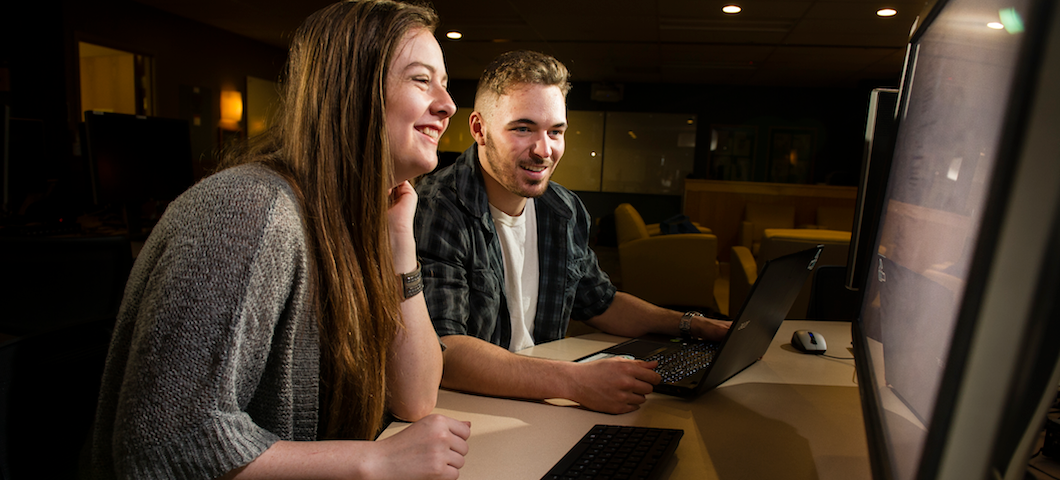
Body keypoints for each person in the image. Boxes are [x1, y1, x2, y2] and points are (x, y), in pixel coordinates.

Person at [89, 2, 470, 479]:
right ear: (351, 93)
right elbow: (169, 442)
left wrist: (399, 244)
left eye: (445, 83)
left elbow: (415, 398)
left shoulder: (361, 219)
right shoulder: (247, 210)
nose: (448, 104)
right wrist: (374, 461)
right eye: (421, 80)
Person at [413, 50, 732, 415]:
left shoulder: (562, 209)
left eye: (556, 132)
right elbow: (445, 350)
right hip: (469, 406)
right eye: (523, 128)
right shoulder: (439, 207)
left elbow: (602, 302)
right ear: (479, 129)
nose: (544, 150)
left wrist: (693, 324)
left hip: (542, 396)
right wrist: (575, 381)